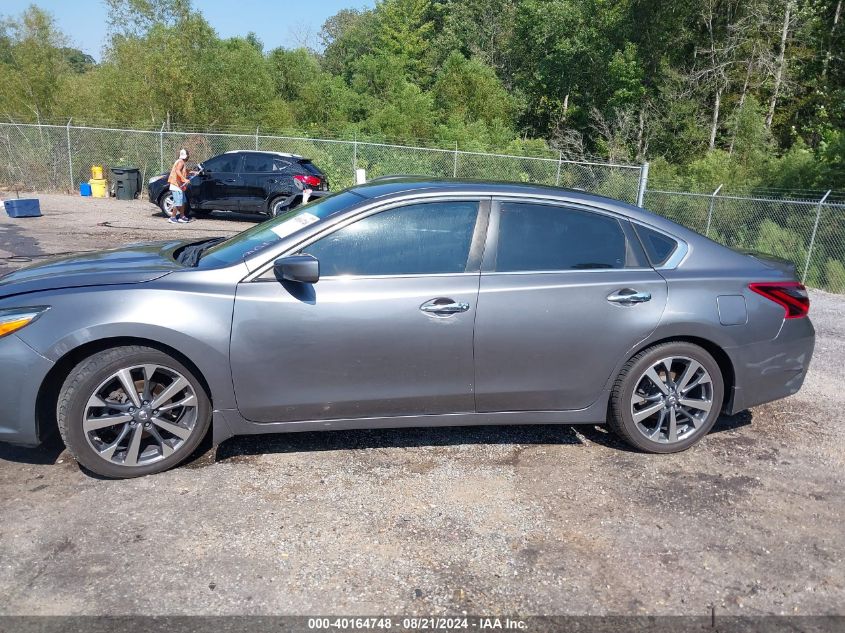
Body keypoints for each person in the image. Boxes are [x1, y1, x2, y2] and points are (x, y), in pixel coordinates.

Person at [166, 148, 192, 223]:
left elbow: (183, 171)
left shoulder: (181, 162)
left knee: (183, 201)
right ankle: (172, 217)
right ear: (186, 156)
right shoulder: (180, 162)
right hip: (176, 185)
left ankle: (182, 216)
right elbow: (177, 170)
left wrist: (192, 172)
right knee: (178, 202)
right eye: (188, 155)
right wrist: (184, 179)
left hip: (179, 186)